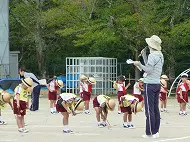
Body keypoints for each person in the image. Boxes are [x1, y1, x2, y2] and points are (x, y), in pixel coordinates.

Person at [133, 35, 164, 139]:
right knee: (155, 108)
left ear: (151, 45)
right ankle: (156, 131)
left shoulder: (153, 56)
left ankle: (149, 132)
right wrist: (144, 56)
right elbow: (150, 66)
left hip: (149, 83)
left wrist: (139, 64)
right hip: (157, 83)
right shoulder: (160, 55)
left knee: (149, 109)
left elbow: (148, 70)